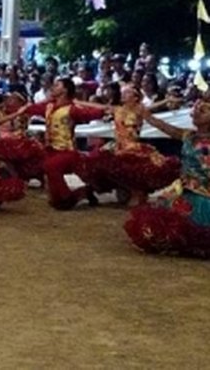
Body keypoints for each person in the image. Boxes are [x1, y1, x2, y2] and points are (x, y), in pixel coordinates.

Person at [125, 98, 210, 258]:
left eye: (203, 111)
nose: (196, 112)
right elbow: (167, 128)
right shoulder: (189, 135)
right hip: (183, 191)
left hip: (204, 195)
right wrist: (148, 116)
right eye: (197, 108)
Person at [20, 78, 107, 210]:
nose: (53, 87)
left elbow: (95, 113)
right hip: (51, 149)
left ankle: (68, 197)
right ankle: (81, 193)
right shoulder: (49, 106)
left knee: (51, 166)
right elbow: (29, 108)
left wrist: (92, 107)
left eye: (57, 85)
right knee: (53, 192)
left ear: (65, 90)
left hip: (67, 151)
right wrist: (46, 100)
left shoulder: (72, 109)